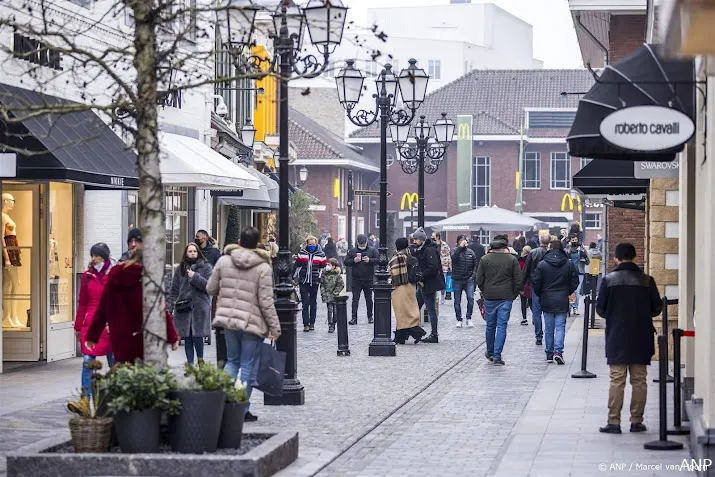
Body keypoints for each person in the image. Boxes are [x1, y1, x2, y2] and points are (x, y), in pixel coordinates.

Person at [207, 226, 281, 423]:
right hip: (252, 323)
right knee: (247, 366)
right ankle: (241, 408)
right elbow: (266, 301)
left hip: (229, 321)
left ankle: (222, 402)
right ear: (257, 244)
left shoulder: (224, 261)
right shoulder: (263, 267)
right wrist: (275, 327)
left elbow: (210, 288)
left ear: (239, 241)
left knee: (232, 362)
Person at [596, 243, 661, 434]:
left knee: (617, 379)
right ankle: (636, 420)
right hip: (641, 335)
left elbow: (600, 309)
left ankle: (614, 421)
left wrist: (615, 315)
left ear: (616, 258)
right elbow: (657, 308)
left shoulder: (609, 280)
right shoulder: (647, 280)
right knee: (639, 380)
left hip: (617, 335)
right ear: (635, 257)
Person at [86, 247, 180, 363]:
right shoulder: (149, 279)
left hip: (121, 339)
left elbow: (102, 309)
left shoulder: (115, 276)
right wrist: (172, 337)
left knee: (125, 375)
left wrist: (92, 336)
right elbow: (160, 310)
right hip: (145, 340)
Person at [75, 243, 115, 396]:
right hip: (90, 324)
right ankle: (86, 398)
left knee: (114, 363)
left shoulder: (114, 275)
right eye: (92, 255)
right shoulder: (87, 276)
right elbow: (82, 303)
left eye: (97, 256)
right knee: (87, 362)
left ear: (104, 257)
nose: (94, 259)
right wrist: (78, 326)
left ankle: (116, 397)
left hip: (109, 324)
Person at [476, 234, 521, 366]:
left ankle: (490, 352)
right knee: (502, 326)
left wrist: (485, 291)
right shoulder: (512, 260)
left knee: (490, 326)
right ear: (505, 247)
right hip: (506, 297)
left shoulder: (485, 259)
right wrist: (513, 294)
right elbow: (518, 280)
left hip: (489, 296)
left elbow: (479, 280)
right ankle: (497, 355)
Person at [532, 240, 579, 364]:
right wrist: (567, 291)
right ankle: (558, 351)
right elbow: (575, 281)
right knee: (560, 327)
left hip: (547, 298)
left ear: (550, 248)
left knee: (548, 328)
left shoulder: (542, 264)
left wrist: (540, 293)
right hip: (562, 298)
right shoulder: (568, 264)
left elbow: (536, 281)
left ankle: (549, 353)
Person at [167, 243, 213, 364]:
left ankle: (201, 360)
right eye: (190, 251)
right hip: (183, 307)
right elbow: (174, 289)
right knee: (187, 337)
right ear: (186, 253)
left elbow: (209, 286)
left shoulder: (206, 267)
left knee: (198, 336)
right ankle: (190, 364)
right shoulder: (180, 269)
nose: (192, 253)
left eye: (194, 251)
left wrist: (195, 277)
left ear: (198, 253)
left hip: (200, 307)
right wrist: (172, 305)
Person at [410, 228, 444, 343]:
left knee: (430, 310)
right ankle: (410, 329)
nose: (414, 241)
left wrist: (420, 276)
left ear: (421, 240)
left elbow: (432, 268)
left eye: (416, 239)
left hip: (428, 284)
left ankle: (434, 334)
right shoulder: (422, 249)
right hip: (423, 284)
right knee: (415, 307)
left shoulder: (429, 250)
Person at [390, 238, 427, 344]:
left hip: (400, 286)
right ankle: (400, 338)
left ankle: (417, 332)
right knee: (407, 312)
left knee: (401, 312)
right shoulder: (410, 255)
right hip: (411, 286)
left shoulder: (398, 256)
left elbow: (392, 271)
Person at [523, 231, 551, 346]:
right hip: (549, 286)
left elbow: (526, 270)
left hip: (535, 285)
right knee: (548, 312)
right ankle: (549, 335)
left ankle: (539, 336)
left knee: (536, 312)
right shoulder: (551, 253)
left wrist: (521, 285)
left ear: (540, 241)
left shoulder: (533, 253)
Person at [345, 234, 378, 325]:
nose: (362, 245)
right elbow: (346, 262)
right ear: (358, 242)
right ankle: (354, 318)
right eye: (361, 244)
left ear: (366, 242)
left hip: (368, 278)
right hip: (356, 279)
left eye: (364, 244)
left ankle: (370, 316)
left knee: (369, 299)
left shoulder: (372, 250)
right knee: (355, 299)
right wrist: (354, 261)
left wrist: (370, 260)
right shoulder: (352, 251)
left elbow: (379, 259)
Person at [295, 235, 327, 331]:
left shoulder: (321, 254)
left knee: (313, 302)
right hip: (303, 280)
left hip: (314, 281)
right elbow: (297, 266)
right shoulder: (302, 253)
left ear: (316, 243)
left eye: (313, 244)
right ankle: (306, 324)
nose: (312, 246)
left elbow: (323, 268)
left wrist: (320, 278)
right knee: (305, 302)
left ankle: (312, 323)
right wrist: (295, 278)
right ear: (307, 244)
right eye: (310, 244)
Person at [450, 234, 478, 328]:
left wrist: (473, 276)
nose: (464, 241)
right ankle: (459, 319)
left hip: (468, 279)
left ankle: (468, 318)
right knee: (457, 301)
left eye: (465, 240)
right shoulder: (454, 250)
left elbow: (475, 265)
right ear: (458, 242)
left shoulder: (471, 252)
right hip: (457, 279)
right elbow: (454, 258)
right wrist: (460, 247)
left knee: (471, 298)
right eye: (461, 240)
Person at [320, 258, 344, 333]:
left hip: (334, 296)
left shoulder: (337, 275)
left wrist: (335, 292)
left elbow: (341, 284)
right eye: (327, 264)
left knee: (335, 311)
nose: (327, 266)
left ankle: (334, 322)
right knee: (330, 310)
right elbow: (322, 284)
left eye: (329, 264)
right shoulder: (324, 274)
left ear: (333, 266)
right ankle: (330, 325)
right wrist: (323, 293)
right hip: (327, 295)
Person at [432, 232, 452, 305]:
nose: (432, 238)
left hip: (443, 265)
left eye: (433, 236)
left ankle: (442, 296)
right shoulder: (431, 245)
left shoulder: (444, 245)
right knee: (434, 282)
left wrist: (450, 266)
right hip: (434, 265)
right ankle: (435, 296)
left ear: (437, 237)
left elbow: (448, 255)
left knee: (443, 281)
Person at [517, 245, 532, 326]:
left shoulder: (520, 260)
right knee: (531, 300)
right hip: (530, 283)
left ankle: (524, 318)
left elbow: (519, 272)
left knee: (523, 301)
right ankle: (534, 316)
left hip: (523, 283)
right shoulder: (533, 259)